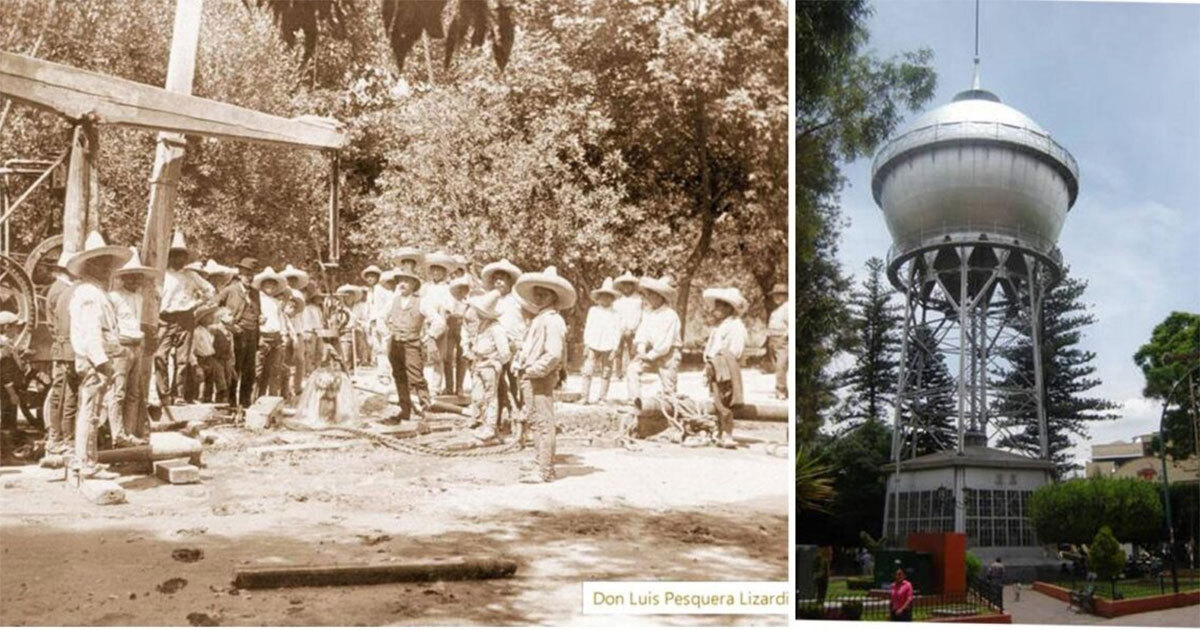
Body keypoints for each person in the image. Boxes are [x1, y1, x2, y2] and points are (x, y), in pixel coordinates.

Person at [66, 232, 132, 480]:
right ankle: (86, 462)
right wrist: (103, 363)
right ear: (91, 266)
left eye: (108, 265)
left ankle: (84, 458)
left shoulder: (94, 293)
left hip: (98, 359)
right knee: (91, 411)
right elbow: (91, 334)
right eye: (103, 265)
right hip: (95, 361)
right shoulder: (89, 295)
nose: (108, 270)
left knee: (91, 410)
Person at [512, 266, 574, 483]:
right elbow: (531, 347)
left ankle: (545, 469)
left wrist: (533, 370)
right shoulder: (540, 318)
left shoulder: (553, 320)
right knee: (536, 421)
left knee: (544, 422)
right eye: (537, 293)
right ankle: (540, 463)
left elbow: (554, 354)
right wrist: (520, 362)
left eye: (544, 293)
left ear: (554, 296)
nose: (539, 297)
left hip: (540, 376)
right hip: (532, 375)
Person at [157, 230, 214, 404]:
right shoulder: (162, 275)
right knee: (160, 355)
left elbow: (210, 290)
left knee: (182, 358)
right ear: (169, 257)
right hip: (165, 318)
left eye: (181, 256)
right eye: (174, 256)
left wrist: (197, 303)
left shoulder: (190, 275)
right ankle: (163, 393)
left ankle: (179, 394)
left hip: (185, 317)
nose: (178, 259)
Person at [106, 248, 157, 445]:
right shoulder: (114, 297)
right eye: (132, 278)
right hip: (122, 345)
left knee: (134, 392)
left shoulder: (138, 298)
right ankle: (117, 434)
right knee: (118, 391)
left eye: (138, 278)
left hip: (136, 344)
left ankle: (128, 432)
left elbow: (137, 322)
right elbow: (111, 324)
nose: (135, 282)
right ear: (124, 278)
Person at [385, 269, 439, 423]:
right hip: (395, 344)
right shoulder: (392, 301)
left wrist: (429, 336)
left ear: (414, 284)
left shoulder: (421, 301)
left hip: (412, 344)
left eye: (407, 281)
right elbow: (380, 317)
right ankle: (405, 410)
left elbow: (438, 320)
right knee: (399, 376)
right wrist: (385, 333)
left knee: (416, 377)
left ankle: (425, 408)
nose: (402, 284)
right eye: (400, 280)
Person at [702, 287, 748, 449]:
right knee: (716, 399)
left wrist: (720, 359)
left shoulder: (736, 327)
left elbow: (735, 350)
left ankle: (727, 434)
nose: (717, 309)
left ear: (730, 308)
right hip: (716, 366)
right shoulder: (720, 326)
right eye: (717, 306)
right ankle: (719, 431)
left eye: (722, 306)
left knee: (725, 402)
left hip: (726, 367)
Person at [44, 251, 80, 455]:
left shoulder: (58, 289)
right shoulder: (64, 292)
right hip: (66, 349)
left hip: (60, 347)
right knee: (67, 394)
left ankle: (56, 437)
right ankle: (63, 439)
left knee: (61, 394)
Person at [462, 291, 510, 442]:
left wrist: (494, 361)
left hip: (489, 365)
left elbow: (505, 353)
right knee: (477, 397)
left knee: (490, 397)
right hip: (478, 363)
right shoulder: (480, 327)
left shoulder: (496, 328)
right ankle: (483, 422)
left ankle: (490, 427)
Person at [482, 259, 524, 428]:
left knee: (515, 383)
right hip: (495, 347)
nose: (499, 281)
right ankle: (496, 419)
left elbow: (522, 324)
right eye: (496, 279)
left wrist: (519, 343)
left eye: (503, 278)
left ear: (510, 281)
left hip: (513, 345)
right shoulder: (491, 300)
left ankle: (517, 417)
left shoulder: (517, 301)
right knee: (496, 385)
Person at [627, 275, 681, 401]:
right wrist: (641, 348)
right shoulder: (648, 313)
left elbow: (665, 343)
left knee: (668, 385)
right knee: (632, 369)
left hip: (669, 352)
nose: (649, 298)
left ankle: (672, 409)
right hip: (651, 350)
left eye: (652, 295)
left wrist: (650, 355)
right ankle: (634, 400)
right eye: (648, 295)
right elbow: (642, 332)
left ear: (661, 297)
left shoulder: (670, 315)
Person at [216, 257, 261, 408]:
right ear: (240, 274)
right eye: (247, 274)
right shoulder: (229, 290)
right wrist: (229, 324)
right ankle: (230, 403)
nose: (249, 277)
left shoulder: (255, 293)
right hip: (235, 334)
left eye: (252, 274)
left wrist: (260, 318)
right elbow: (215, 307)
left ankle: (245, 403)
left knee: (250, 370)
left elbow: (256, 311)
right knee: (234, 368)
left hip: (252, 334)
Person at [421, 251, 458, 393]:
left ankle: (436, 387)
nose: (436, 272)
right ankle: (421, 385)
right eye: (434, 269)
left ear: (444, 273)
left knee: (438, 356)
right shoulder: (426, 287)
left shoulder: (447, 288)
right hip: (426, 322)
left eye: (439, 270)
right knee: (424, 355)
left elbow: (449, 307)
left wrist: (441, 321)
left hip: (441, 323)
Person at [581, 278, 621, 405]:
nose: (606, 299)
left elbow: (617, 331)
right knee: (588, 370)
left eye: (609, 297)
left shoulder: (616, 314)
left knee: (606, 371)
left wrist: (615, 348)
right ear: (599, 297)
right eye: (603, 297)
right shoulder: (593, 311)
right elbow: (589, 327)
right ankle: (584, 397)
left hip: (608, 345)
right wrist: (586, 343)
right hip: (593, 344)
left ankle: (602, 398)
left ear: (612, 299)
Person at [253, 267, 286, 398]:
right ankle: (254, 399)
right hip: (263, 336)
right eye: (267, 284)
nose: (270, 287)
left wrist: (283, 335)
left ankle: (272, 399)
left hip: (276, 337)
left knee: (274, 370)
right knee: (259, 371)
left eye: (273, 284)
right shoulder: (257, 300)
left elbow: (280, 318)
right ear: (262, 286)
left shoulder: (276, 302)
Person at [192, 304, 226, 404]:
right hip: (201, 358)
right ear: (202, 319)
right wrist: (195, 363)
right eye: (209, 316)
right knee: (201, 379)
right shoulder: (196, 332)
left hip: (209, 357)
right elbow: (193, 348)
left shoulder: (207, 331)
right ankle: (199, 398)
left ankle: (208, 398)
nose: (212, 318)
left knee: (211, 379)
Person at [444, 274, 471, 396]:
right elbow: (446, 314)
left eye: (465, 288)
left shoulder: (470, 303)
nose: (462, 291)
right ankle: (449, 386)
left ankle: (459, 387)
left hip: (464, 329)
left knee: (462, 358)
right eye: (460, 288)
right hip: (451, 328)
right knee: (448, 356)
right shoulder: (450, 301)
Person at [0, 311, 26, 437]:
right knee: (7, 419)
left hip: (9, 390)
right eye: (15, 326)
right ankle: (7, 448)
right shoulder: (3, 347)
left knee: (9, 418)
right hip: (7, 391)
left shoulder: (6, 345)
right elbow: (5, 374)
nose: (17, 330)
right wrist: (12, 394)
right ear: (6, 327)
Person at [612, 270, 642, 378]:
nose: (626, 287)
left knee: (632, 350)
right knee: (618, 350)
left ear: (633, 286)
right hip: (620, 328)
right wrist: (620, 327)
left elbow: (638, 315)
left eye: (629, 285)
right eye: (624, 285)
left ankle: (634, 371)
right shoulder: (618, 300)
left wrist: (632, 328)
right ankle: (618, 372)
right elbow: (616, 314)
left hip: (632, 329)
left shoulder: (638, 300)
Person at [766, 283, 788, 400]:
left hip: (781, 339)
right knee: (776, 366)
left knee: (781, 366)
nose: (777, 298)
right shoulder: (776, 311)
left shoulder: (787, 308)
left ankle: (781, 390)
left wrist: (785, 336)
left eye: (780, 295)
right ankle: (781, 388)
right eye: (775, 295)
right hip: (773, 339)